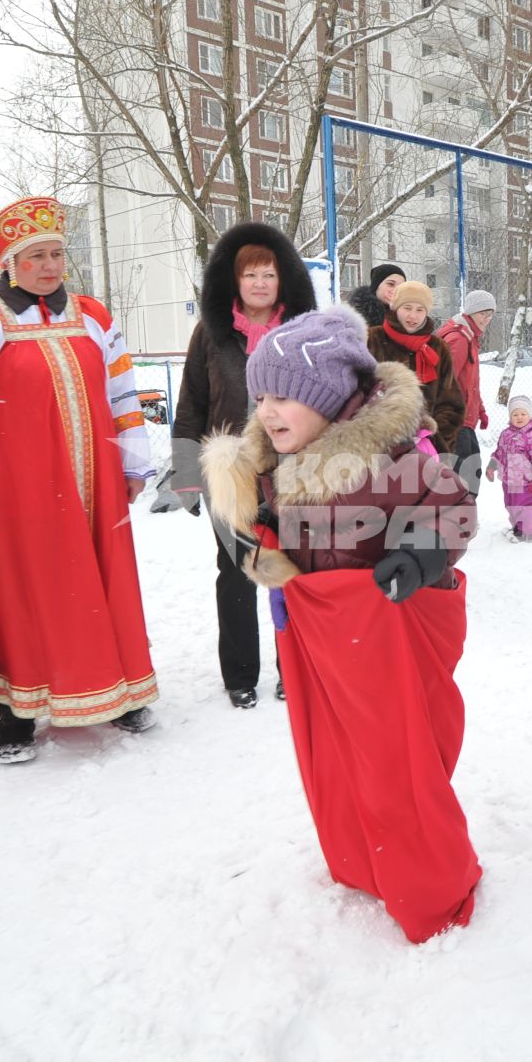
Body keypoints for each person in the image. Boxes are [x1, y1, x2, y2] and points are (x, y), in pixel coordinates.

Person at [200, 305, 480, 943]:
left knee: (401, 764)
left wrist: (420, 553)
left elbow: (453, 505)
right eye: (261, 395)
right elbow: (264, 530)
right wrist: (261, 553)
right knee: (342, 761)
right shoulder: (271, 465)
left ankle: (430, 880)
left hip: (393, 635)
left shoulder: (392, 457)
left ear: (329, 400)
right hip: (329, 644)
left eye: (285, 398)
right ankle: (362, 858)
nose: (267, 412)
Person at [0, 196, 159, 761]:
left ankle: (120, 691)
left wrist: (133, 462)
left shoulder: (93, 314)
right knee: (23, 589)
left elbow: (123, 394)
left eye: (57, 253)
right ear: (10, 262)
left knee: (105, 584)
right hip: (20, 485)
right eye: (36, 256)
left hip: (96, 480)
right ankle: (16, 713)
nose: (51, 265)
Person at [163, 221, 318, 709]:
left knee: (291, 570)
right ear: (234, 281)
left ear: (282, 280)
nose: (258, 284)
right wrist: (187, 473)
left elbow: (328, 401)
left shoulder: (303, 333)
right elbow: (191, 404)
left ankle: (292, 666)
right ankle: (240, 674)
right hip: (227, 472)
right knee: (236, 571)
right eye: (249, 275)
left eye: (268, 274)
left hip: (290, 472)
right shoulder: (210, 334)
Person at [366, 280, 466, 453]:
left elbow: (451, 403)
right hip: (378, 446)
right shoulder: (372, 338)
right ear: (395, 308)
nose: (413, 316)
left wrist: (436, 441)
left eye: (420, 310)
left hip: (426, 449)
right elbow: (358, 391)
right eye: (407, 308)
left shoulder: (438, 347)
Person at [435, 288, 496, 492]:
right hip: (455, 420)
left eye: (490, 314)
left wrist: (481, 411)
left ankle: (463, 518)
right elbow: (444, 380)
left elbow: (470, 383)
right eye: (482, 314)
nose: (486, 319)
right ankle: (458, 519)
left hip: (465, 419)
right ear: (470, 312)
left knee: (471, 472)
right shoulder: (459, 339)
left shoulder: (470, 338)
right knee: (464, 475)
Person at [486, 394, 532, 541]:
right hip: (509, 480)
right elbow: (499, 452)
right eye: (515, 414)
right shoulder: (506, 434)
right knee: (511, 505)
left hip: (524, 481)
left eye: (523, 414)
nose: (519, 417)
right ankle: (518, 529)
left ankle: (527, 534)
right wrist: (492, 465)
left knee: (523, 507)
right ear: (510, 416)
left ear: (529, 414)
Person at [348, 263, 405, 328]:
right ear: (376, 286)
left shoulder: (409, 316)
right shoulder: (355, 317)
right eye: (391, 284)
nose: (396, 290)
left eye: (401, 287)